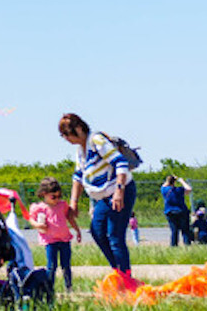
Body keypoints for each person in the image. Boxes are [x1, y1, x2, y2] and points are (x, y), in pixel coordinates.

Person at [60, 112, 138, 293]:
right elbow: (78, 177)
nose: (67, 139)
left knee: (115, 236)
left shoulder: (96, 141)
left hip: (120, 190)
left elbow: (120, 163)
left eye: (67, 134)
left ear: (79, 129)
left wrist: (119, 190)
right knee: (96, 231)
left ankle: (126, 281)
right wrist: (74, 203)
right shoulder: (81, 150)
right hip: (102, 197)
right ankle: (118, 272)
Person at [25, 176, 81, 293]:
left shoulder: (62, 205)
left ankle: (68, 287)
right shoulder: (39, 207)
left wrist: (77, 230)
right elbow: (31, 219)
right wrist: (38, 225)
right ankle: (49, 288)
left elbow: (70, 218)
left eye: (59, 196)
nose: (56, 199)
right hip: (50, 241)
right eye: (53, 197)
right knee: (51, 266)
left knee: (66, 265)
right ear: (44, 194)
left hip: (64, 239)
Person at [159, 174, 192, 246]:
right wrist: (181, 181)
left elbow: (163, 185)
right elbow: (189, 189)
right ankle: (187, 245)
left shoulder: (164, 190)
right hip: (181, 211)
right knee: (185, 230)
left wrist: (170, 179)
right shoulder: (179, 190)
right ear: (174, 182)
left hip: (170, 212)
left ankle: (174, 245)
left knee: (174, 231)